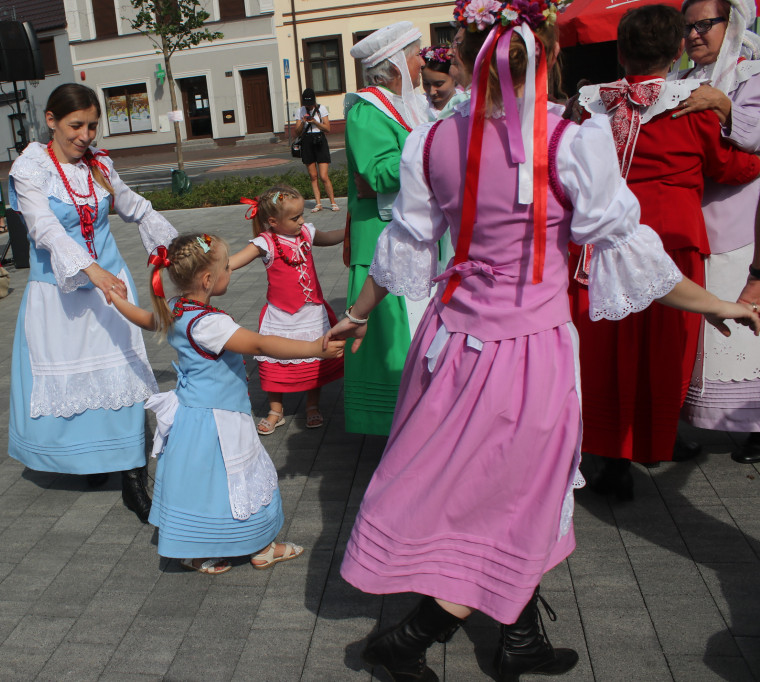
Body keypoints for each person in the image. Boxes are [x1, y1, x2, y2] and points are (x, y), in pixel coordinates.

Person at [325, 2, 760, 680]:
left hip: (449, 344)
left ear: (466, 59)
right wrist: (719, 303)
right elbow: (631, 255)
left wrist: (355, 313)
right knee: (516, 497)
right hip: (528, 355)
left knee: (503, 489)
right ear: (550, 60)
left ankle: (521, 635)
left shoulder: (433, 140)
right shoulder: (572, 139)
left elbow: (402, 245)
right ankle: (410, 636)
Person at [572, 4, 760, 497]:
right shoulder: (691, 103)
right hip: (672, 241)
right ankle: (656, 441)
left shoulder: (592, 102)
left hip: (605, 242)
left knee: (609, 349)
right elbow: (732, 168)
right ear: (677, 49)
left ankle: (610, 459)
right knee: (662, 348)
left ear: (620, 51)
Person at [107, 233, 344, 573]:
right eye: (227, 268)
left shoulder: (176, 308)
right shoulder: (211, 324)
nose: (230, 272)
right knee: (242, 475)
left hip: (193, 416)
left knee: (204, 484)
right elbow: (260, 345)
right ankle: (262, 546)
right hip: (222, 419)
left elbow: (146, 319)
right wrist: (313, 350)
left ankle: (201, 551)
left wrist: (118, 301)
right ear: (207, 279)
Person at [7, 83, 178, 523]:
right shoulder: (31, 169)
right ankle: (89, 461)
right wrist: (90, 270)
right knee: (76, 383)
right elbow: (45, 228)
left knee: (123, 376)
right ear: (51, 120)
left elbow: (133, 206)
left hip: (111, 291)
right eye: (75, 125)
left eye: (92, 125)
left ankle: (133, 480)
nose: (85, 135)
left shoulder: (100, 165)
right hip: (59, 294)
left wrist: (177, 245)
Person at [674, 0, 760, 463]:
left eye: (705, 25)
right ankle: (684, 418)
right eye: (687, 27)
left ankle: (758, 427)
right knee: (704, 329)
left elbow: (757, 136)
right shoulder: (680, 80)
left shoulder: (753, 75)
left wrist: (723, 105)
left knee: (749, 323)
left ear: (733, 24)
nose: (694, 35)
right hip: (693, 220)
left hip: (743, 219)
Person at [342, 21, 429, 436]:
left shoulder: (403, 104)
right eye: (415, 54)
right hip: (382, 240)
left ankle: (415, 420)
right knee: (393, 340)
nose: (421, 61)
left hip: (407, 235)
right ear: (395, 65)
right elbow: (377, 174)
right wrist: (437, 150)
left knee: (409, 335)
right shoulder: (366, 109)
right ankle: (395, 425)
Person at [227, 185, 345, 434]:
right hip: (280, 314)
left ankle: (312, 405)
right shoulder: (265, 242)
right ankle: (275, 409)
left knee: (316, 358)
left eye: (302, 215)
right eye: (295, 217)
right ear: (273, 221)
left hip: (311, 311)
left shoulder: (307, 233)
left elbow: (330, 237)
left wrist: (351, 231)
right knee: (274, 361)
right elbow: (234, 261)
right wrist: (210, 267)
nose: (302, 221)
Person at [294, 89, 339, 213]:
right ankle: (318, 203)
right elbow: (297, 132)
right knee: (313, 176)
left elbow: (327, 128)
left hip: (319, 140)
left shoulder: (321, 109)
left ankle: (333, 202)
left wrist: (314, 121)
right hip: (307, 141)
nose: (308, 106)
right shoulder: (300, 111)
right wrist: (303, 122)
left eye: (310, 103)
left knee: (323, 176)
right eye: (306, 104)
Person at [420, 44, 465, 118]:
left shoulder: (464, 103)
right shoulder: (419, 105)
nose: (432, 91)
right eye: (426, 83)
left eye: (438, 84)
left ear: (454, 77)